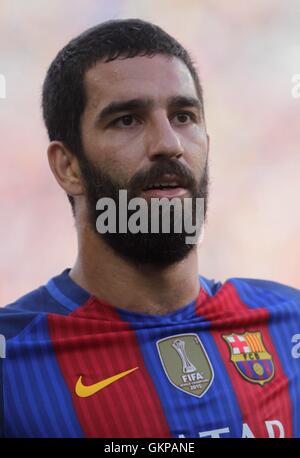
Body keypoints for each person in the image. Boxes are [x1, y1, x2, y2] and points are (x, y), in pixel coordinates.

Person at [1, 18, 300, 439]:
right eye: (127, 120)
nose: (169, 143)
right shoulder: (12, 360)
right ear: (68, 167)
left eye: (183, 116)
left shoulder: (289, 324)